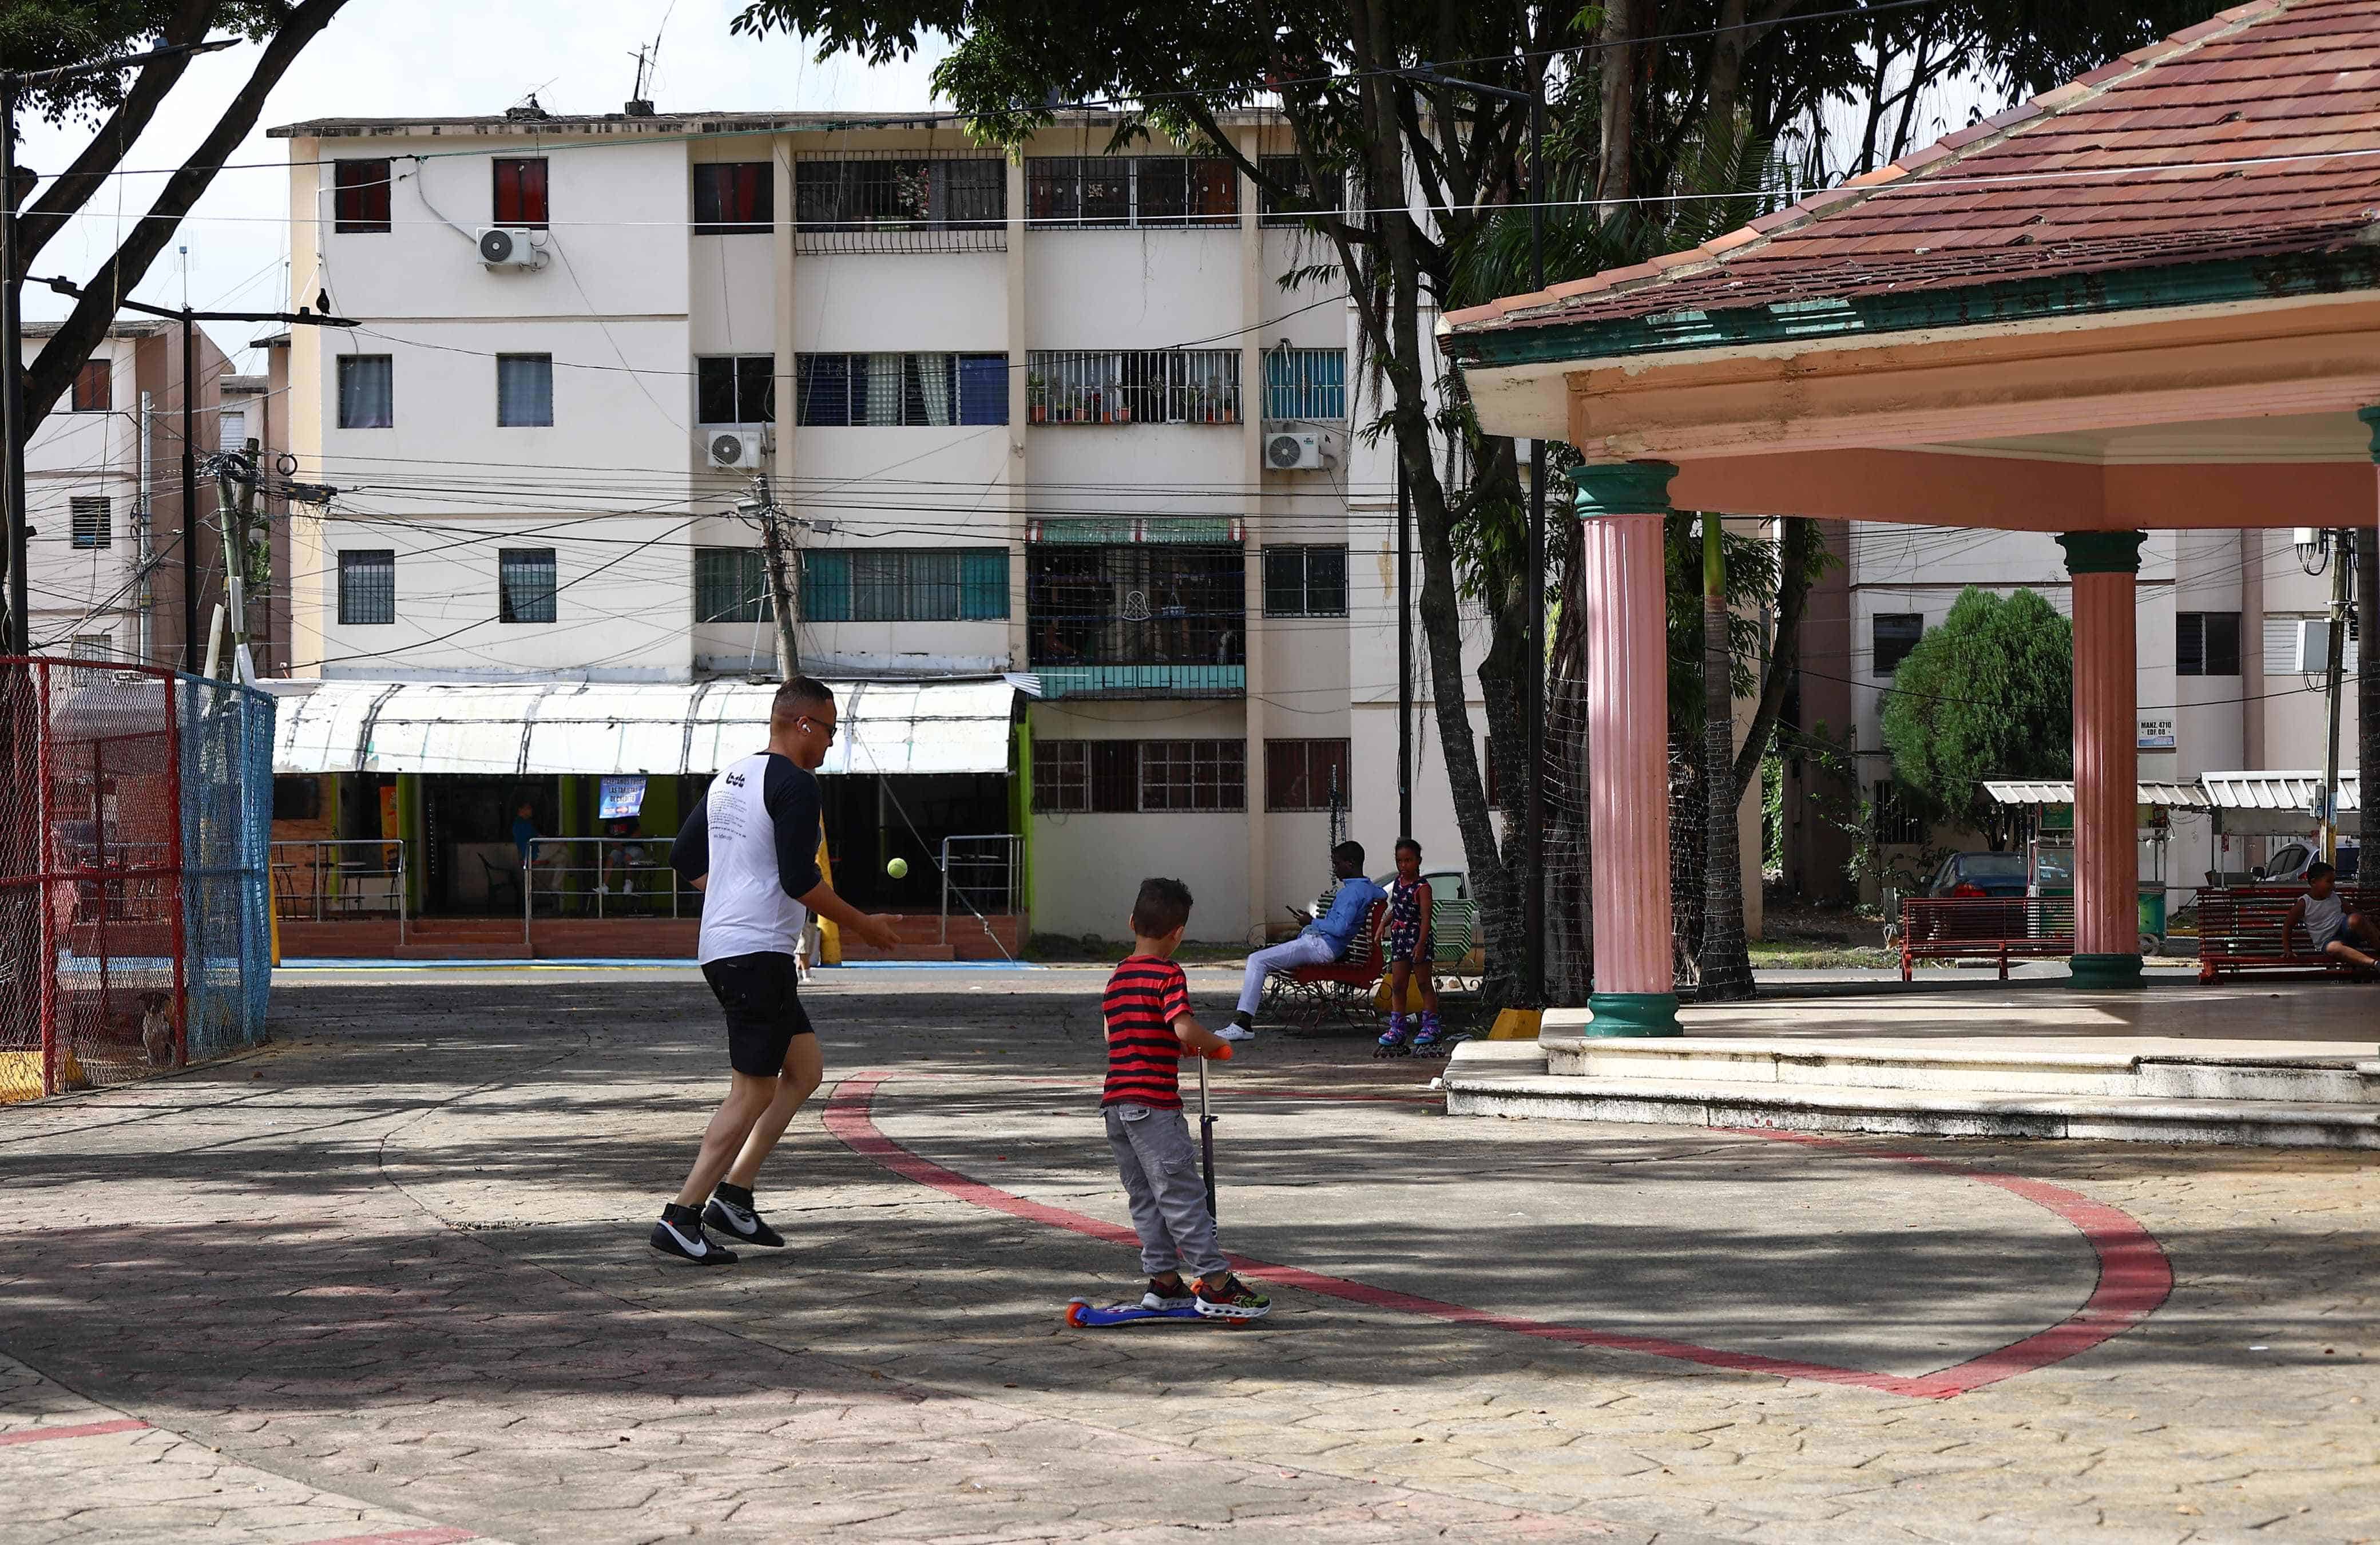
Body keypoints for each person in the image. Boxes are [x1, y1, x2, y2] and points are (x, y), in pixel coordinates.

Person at [650, 676, 901, 1265]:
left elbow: (683, 857)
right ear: (804, 724)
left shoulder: (730, 778)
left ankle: (733, 1197)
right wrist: (865, 926)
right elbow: (799, 881)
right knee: (753, 1088)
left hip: (732, 946)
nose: (832, 745)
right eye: (832, 730)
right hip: (754, 953)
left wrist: (733, 896)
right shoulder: (796, 785)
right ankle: (681, 1215)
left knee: (805, 1068)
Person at [1104, 877, 1270, 1320]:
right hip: (1154, 1104)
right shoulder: (1167, 973)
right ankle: (1216, 1284)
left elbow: (1114, 1033)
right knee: (1181, 1195)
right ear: (1178, 933)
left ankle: (1164, 1280)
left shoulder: (1119, 975)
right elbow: (1181, 1027)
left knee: (1144, 1196)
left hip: (1117, 1106)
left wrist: (1166, 1041)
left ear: (1132, 922)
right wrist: (1213, 1044)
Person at [1219, 841, 1385, 1043]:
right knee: (1262, 958)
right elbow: (1382, 894)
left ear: (1350, 864)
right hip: (1321, 944)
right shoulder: (1365, 888)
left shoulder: (1352, 893)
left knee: (1257, 960)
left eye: (1337, 864)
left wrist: (1312, 921)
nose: (1335, 869)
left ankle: (1242, 1024)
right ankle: (1242, 1023)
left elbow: (1340, 928)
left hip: (1321, 947)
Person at [1374, 838, 1446, 1057]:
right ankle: (1397, 1027)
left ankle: (1431, 1025)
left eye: (1408, 860)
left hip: (1417, 939)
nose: (1404, 865)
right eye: (1400, 861)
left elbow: (1426, 918)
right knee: (1398, 984)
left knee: (1424, 983)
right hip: (1399, 940)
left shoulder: (1423, 888)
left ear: (1418, 861)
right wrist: (1381, 926)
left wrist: (1421, 944)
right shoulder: (1397, 883)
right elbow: (1396, 910)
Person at [2283, 861, 2378, 970]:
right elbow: (2287, 926)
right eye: (2329, 882)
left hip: (2347, 932)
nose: (2333, 886)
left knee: (2355, 919)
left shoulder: (2336, 898)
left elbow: (2354, 913)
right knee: (2333, 948)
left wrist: (2370, 922)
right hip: (2327, 941)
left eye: (2334, 882)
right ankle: (2374, 963)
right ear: (2314, 883)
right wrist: (2288, 950)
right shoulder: (2305, 903)